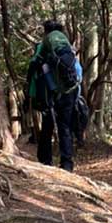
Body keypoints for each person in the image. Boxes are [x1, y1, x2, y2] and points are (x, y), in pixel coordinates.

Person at [29, 20, 82, 171]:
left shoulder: (46, 42)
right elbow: (78, 71)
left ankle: (45, 160)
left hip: (53, 93)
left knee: (48, 126)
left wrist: (32, 94)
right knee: (65, 127)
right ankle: (67, 163)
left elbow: (34, 64)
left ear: (46, 31)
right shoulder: (68, 47)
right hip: (71, 91)